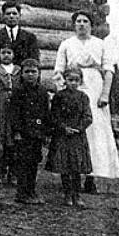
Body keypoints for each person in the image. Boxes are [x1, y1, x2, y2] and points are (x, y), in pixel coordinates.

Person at [51, 9, 119, 194]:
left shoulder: (100, 44)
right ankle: (71, 174)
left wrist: (105, 94)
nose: (81, 24)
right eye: (78, 21)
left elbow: (108, 71)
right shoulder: (67, 44)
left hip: (95, 87)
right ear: (74, 25)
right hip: (73, 84)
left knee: (94, 130)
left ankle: (91, 177)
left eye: (85, 21)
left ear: (91, 25)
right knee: (73, 129)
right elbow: (58, 71)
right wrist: (62, 93)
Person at [46, 67, 93, 207]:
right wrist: (63, 128)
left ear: (80, 81)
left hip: (77, 137)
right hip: (63, 136)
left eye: (76, 80)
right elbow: (54, 116)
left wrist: (78, 128)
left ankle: (77, 195)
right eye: (70, 80)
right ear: (65, 80)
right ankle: (67, 195)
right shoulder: (59, 96)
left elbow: (88, 116)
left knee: (76, 166)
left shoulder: (83, 97)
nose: (73, 83)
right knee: (64, 166)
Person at [9, 59, 50, 205]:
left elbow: (45, 113)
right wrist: (17, 131)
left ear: (39, 73)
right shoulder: (18, 91)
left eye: (34, 72)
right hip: (23, 133)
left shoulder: (42, 91)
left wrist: (45, 132)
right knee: (23, 163)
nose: (30, 75)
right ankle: (22, 193)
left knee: (34, 162)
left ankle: (31, 191)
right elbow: (14, 113)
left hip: (37, 133)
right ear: (22, 74)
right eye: (27, 72)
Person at [0, 44, 21, 185]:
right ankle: (0, 171)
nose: (6, 55)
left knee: (14, 142)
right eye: (3, 52)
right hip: (0, 107)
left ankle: (13, 173)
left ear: (13, 54)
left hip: (15, 107)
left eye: (9, 52)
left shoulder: (18, 70)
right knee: (0, 141)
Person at [0, 1, 39, 70]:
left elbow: (35, 63)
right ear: (3, 16)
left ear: (19, 15)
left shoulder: (30, 38)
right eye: (8, 14)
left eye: (14, 13)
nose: (11, 16)